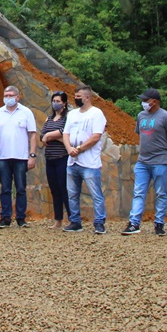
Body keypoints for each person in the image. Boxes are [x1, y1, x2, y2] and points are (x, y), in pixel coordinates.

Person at [121, 88, 167, 237]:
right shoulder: (141, 116)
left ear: (155, 102)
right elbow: (140, 135)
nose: (144, 103)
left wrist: (166, 152)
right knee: (139, 192)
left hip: (160, 161)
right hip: (143, 161)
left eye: (146, 100)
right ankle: (134, 223)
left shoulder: (166, 117)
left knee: (160, 193)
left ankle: (159, 223)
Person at [62, 84, 107, 235]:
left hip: (89, 162)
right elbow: (66, 134)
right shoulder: (72, 114)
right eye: (75, 97)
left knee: (96, 193)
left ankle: (99, 223)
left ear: (87, 98)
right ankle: (75, 221)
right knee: (72, 193)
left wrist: (79, 149)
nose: (76, 99)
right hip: (72, 161)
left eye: (79, 97)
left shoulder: (96, 113)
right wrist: (69, 149)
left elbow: (96, 136)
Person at [0, 85, 38, 228]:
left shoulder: (26, 112)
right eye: (6, 95)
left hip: (21, 157)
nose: (8, 98)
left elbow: (33, 135)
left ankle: (21, 218)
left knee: (21, 188)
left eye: (11, 95)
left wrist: (32, 156)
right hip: (3, 157)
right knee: (5, 188)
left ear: (18, 97)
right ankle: (5, 218)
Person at [40, 91, 70, 230]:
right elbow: (42, 135)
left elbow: (65, 133)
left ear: (64, 103)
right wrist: (52, 136)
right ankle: (58, 219)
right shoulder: (49, 118)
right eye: (54, 100)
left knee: (64, 188)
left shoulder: (68, 117)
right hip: (50, 158)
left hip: (62, 158)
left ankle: (71, 218)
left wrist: (48, 136)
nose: (55, 103)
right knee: (54, 189)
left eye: (58, 101)